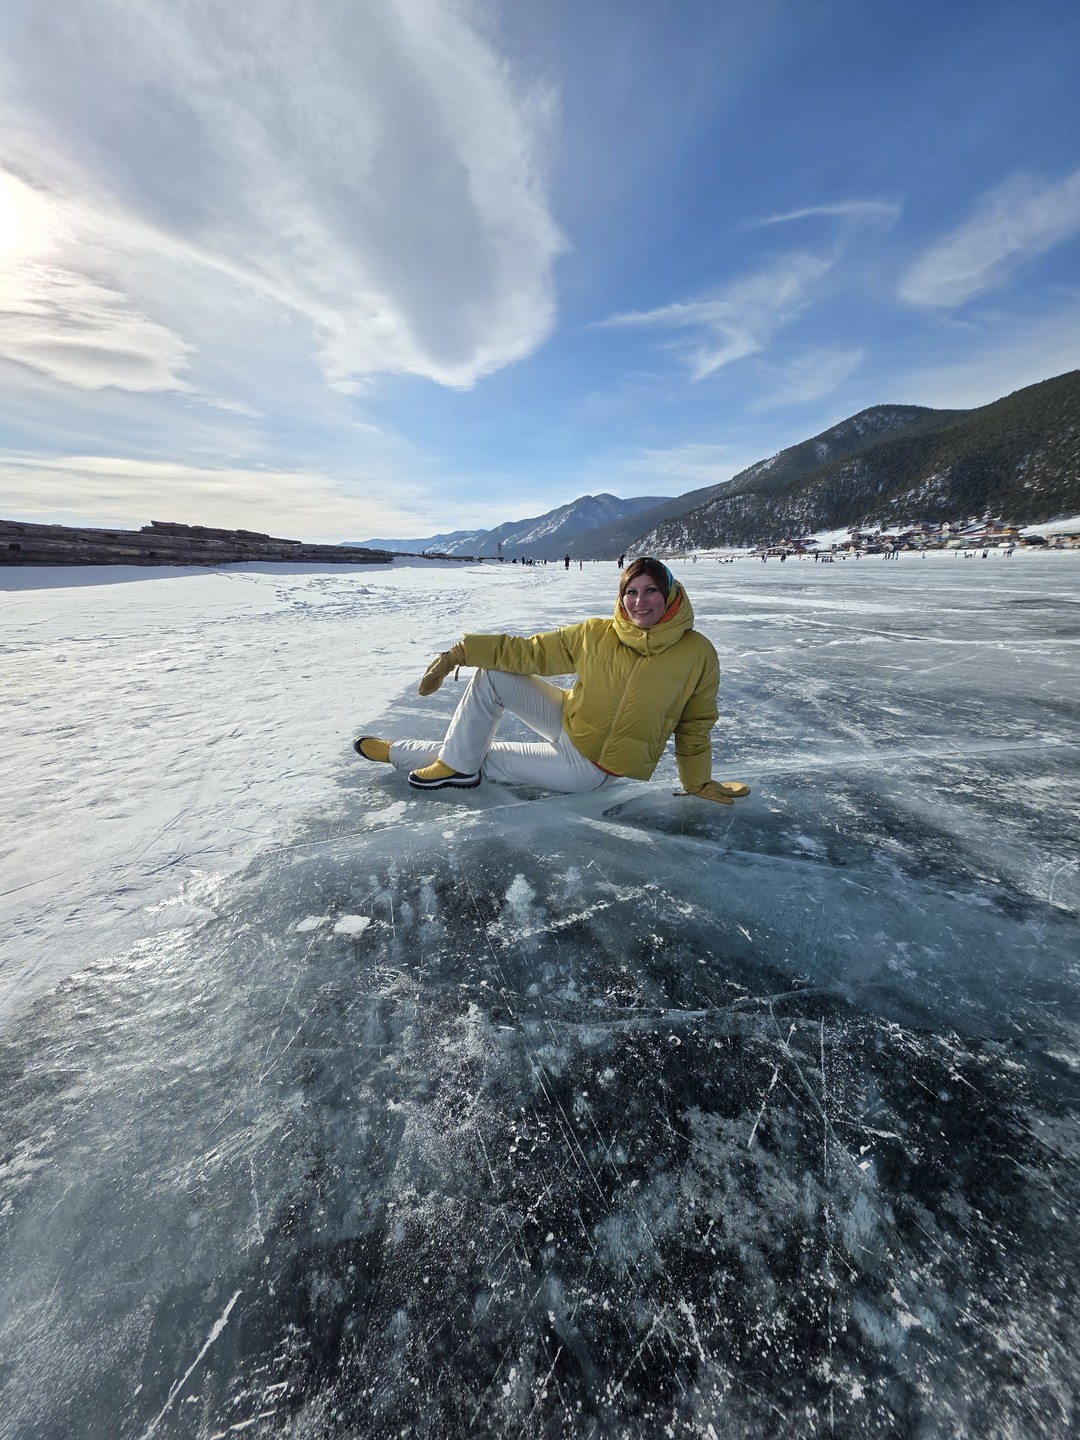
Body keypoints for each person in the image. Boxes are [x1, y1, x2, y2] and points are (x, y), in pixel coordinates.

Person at [354, 557, 750, 806]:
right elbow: (530, 652)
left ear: (670, 595)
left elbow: (695, 727)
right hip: (569, 718)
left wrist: (697, 784)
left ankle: (402, 754)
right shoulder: (598, 633)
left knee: (480, 756)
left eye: (650, 591)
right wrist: (461, 653)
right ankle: (456, 764)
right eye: (630, 591)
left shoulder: (697, 653)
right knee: (494, 675)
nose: (638, 602)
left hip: (592, 767)